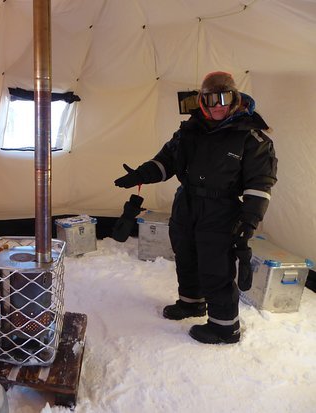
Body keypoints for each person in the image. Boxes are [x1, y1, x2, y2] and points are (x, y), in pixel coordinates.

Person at [114, 71, 278, 344]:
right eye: (212, 99)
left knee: (216, 267)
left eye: (225, 98)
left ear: (235, 98)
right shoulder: (190, 130)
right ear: (202, 101)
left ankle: (225, 327)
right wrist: (140, 175)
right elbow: (166, 161)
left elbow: (260, 184)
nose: (218, 106)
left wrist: (248, 222)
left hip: (221, 209)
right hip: (187, 204)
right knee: (186, 255)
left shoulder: (251, 138)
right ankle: (191, 303)